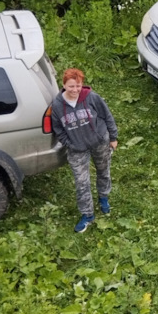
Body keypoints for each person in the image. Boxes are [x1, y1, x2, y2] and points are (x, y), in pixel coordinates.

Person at [50, 68, 118, 233]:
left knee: (103, 171)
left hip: (99, 141)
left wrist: (113, 137)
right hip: (77, 148)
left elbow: (107, 115)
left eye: (78, 86)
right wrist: (70, 143)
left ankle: (103, 198)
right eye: (71, 86)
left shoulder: (91, 98)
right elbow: (58, 128)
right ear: (63, 85)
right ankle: (87, 214)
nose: (75, 90)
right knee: (82, 182)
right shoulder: (57, 105)